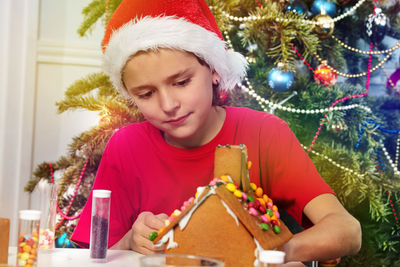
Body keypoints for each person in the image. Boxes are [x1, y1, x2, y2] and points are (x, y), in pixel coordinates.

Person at [71, 0, 361, 265]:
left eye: (182, 82)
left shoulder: (263, 133)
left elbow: (346, 230)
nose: (169, 105)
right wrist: (131, 243)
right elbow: (91, 256)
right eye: (146, 94)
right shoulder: (126, 147)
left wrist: (270, 253)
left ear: (213, 70)